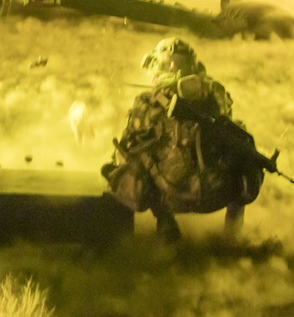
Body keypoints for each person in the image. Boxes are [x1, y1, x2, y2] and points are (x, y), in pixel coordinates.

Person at [101, 38, 264, 241]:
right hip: (218, 190)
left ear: (169, 64)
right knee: (239, 137)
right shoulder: (216, 93)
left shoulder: (147, 101)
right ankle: (233, 231)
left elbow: (128, 142)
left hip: (171, 192)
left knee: (125, 158)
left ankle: (164, 219)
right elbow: (225, 117)